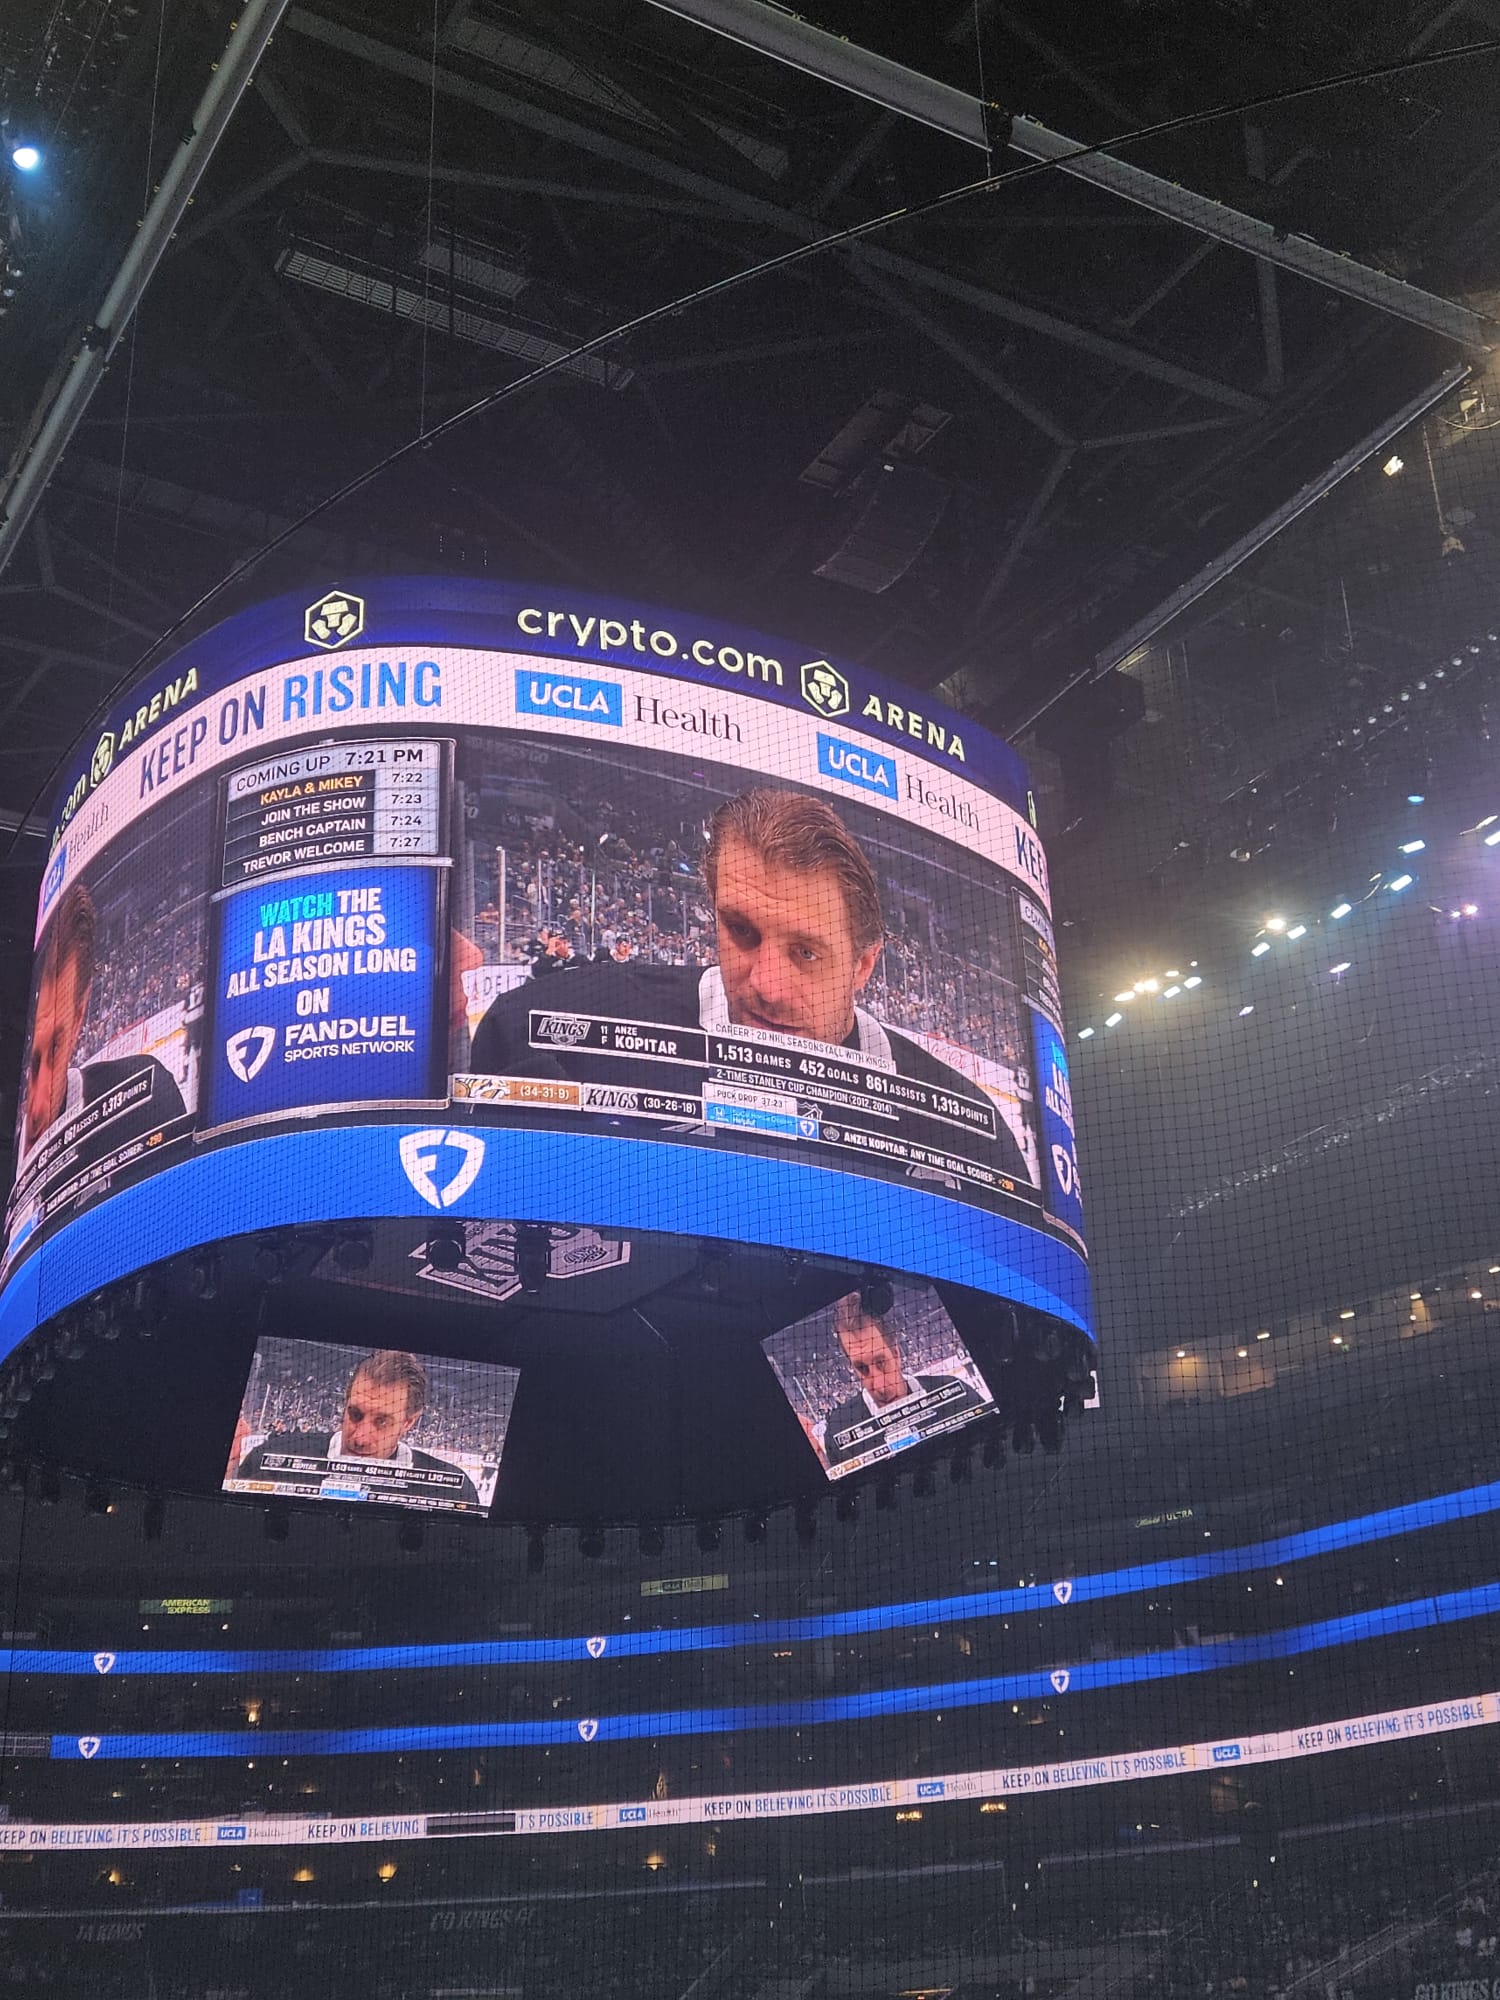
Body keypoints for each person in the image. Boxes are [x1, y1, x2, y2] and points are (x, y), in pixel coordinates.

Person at [469, 787, 1030, 1185]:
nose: (766, 986)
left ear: (863, 966)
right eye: (741, 931)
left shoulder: (964, 1130)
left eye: (806, 953)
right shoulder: (549, 1029)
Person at [20, 880, 186, 1163]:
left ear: (78, 1020)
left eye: (55, 1049)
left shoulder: (144, 1103)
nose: (37, 1108)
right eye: (34, 1062)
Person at [232, 1349, 482, 1506]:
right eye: (355, 1414)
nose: (360, 1438)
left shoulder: (453, 1490)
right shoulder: (273, 1457)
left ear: (409, 1422)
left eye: (382, 1421)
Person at [819, 1292, 988, 1469]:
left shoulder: (955, 1391)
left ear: (896, 1354)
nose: (880, 1387)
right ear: (852, 1369)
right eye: (862, 1368)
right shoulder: (838, 1432)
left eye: (881, 1363)